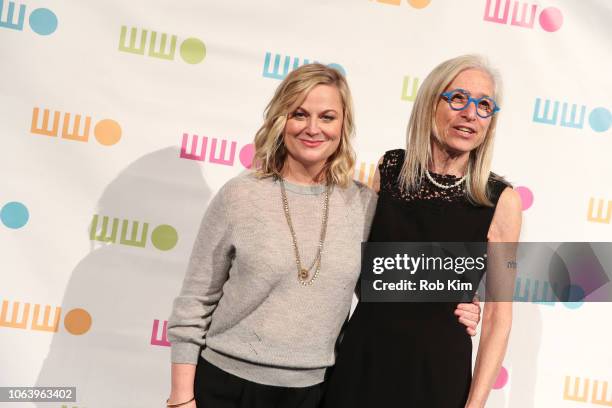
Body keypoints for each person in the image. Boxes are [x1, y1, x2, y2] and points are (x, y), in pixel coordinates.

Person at [166, 63, 482, 408]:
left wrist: (456, 301)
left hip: (313, 393)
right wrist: (182, 398)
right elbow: (195, 302)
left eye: (327, 117)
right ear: (280, 120)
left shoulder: (364, 205)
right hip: (225, 386)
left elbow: (386, 287)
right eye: (299, 114)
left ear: (343, 125)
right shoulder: (239, 196)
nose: (313, 128)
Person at [321, 55, 522, 408]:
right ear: (431, 102)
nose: (471, 113)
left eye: (484, 105)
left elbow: (498, 319)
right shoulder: (389, 170)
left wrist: (474, 406)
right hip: (362, 363)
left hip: (436, 377)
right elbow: (361, 275)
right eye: (458, 98)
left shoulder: (500, 201)